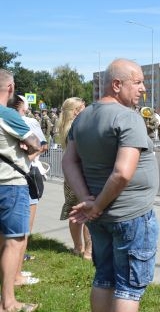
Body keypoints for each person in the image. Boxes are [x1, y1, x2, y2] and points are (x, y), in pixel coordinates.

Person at [62, 58, 159, 312]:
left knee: (104, 278)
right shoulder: (128, 117)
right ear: (116, 84)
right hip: (130, 215)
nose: (143, 89)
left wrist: (88, 200)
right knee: (128, 288)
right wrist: (95, 206)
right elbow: (122, 174)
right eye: (137, 82)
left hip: (99, 217)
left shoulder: (83, 118)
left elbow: (69, 162)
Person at [0, 69, 42, 312]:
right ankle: (8, 302)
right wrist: (24, 145)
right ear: (11, 88)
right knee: (14, 241)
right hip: (11, 184)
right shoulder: (8, 114)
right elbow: (35, 144)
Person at [8, 95, 47, 287]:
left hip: (13, 178)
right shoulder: (16, 120)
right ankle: (15, 275)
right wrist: (30, 154)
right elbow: (38, 145)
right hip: (19, 178)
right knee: (19, 234)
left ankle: (14, 273)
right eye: (24, 109)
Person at [55, 97, 92, 261]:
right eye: (83, 107)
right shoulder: (80, 127)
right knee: (87, 212)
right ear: (76, 110)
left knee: (74, 212)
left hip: (70, 176)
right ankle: (89, 252)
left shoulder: (64, 126)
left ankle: (78, 247)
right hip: (84, 174)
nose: (86, 110)